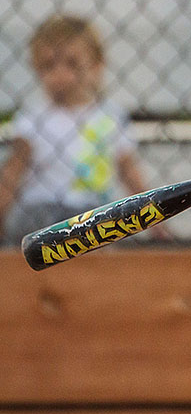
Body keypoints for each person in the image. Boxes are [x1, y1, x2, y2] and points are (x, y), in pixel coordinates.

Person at [0, 14, 151, 246]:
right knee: (39, 220)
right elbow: (12, 175)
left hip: (92, 209)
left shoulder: (110, 116)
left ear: (96, 66)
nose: (60, 75)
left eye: (72, 64)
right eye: (48, 65)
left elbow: (129, 171)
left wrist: (157, 224)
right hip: (43, 210)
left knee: (110, 221)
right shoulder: (33, 118)